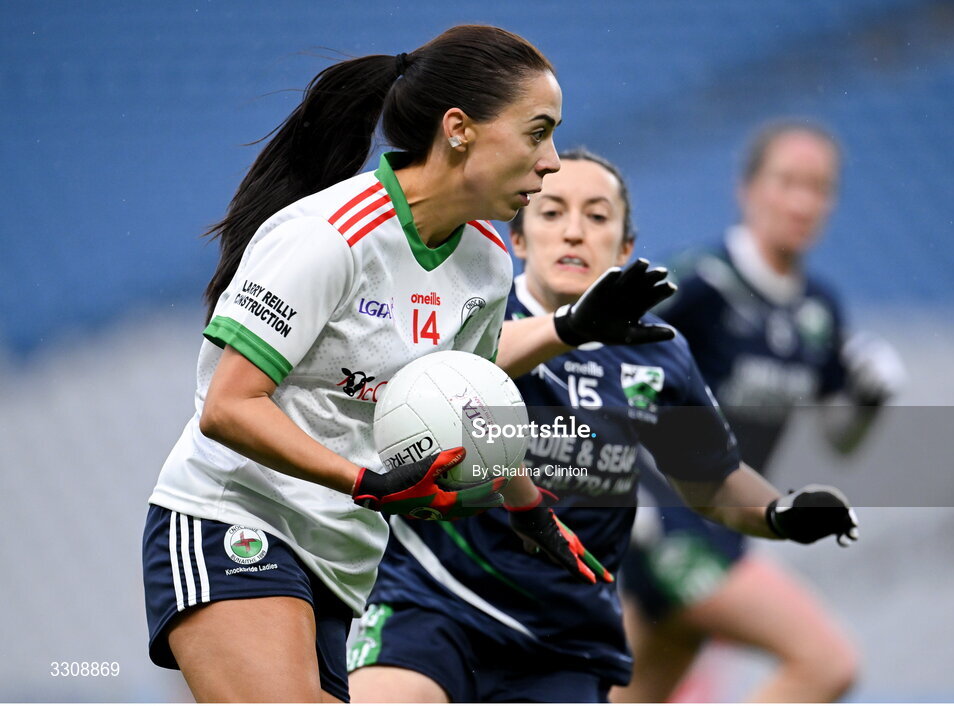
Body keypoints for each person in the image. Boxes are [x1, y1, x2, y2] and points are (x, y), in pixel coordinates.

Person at [142, 26, 675, 703]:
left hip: (341, 556)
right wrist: (363, 480)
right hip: (232, 517)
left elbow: (471, 397)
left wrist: (527, 508)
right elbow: (227, 407)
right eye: (537, 132)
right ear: (459, 130)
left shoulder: (484, 257)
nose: (551, 161)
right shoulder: (330, 237)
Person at [346, 149, 859, 703]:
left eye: (597, 216)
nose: (574, 232)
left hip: (564, 643)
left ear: (625, 247)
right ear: (518, 240)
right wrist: (566, 326)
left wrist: (778, 514)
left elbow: (712, 482)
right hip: (432, 604)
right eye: (551, 213)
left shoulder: (656, 354)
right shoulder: (471, 310)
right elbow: (453, 368)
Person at [613, 122, 905, 703]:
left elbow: (840, 439)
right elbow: (605, 364)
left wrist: (870, 401)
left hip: (726, 530)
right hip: (667, 524)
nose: (802, 201)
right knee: (827, 663)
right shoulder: (700, 280)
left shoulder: (817, 310)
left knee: (632, 696)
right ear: (747, 189)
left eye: (818, 187)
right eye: (787, 182)